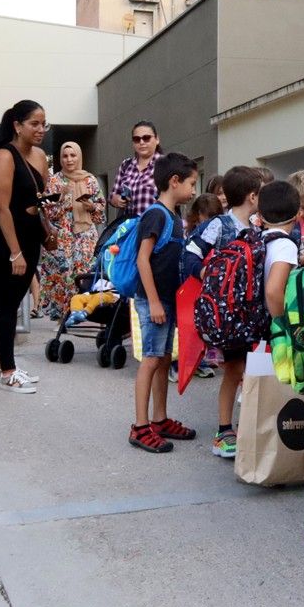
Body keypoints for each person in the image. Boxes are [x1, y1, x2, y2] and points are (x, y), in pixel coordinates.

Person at [182, 165, 262, 458]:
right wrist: (205, 272)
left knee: (251, 371)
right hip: (230, 314)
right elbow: (190, 253)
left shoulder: (259, 227)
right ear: (253, 196)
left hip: (253, 312)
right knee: (234, 370)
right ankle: (224, 430)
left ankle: (250, 427)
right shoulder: (220, 225)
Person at [0, 100, 50, 394]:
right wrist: (15, 251)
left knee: (16, 298)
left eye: (44, 124)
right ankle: (7, 371)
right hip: (1, 235)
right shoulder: (4, 155)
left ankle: (2, 363)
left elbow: (39, 202)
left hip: (30, 232)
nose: (40, 129)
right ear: (18, 126)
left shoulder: (42, 156)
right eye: (34, 123)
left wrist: (47, 233)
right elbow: (0, 206)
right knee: (6, 302)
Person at [128, 153, 198, 453]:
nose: (194, 190)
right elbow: (143, 259)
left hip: (168, 301)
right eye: (192, 183)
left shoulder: (174, 217)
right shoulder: (156, 215)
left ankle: (159, 419)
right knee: (151, 359)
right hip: (154, 301)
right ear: (174, 181)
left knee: (162, 358)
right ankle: (140, 427)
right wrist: (155, 302)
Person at [39, 142, 104, 321]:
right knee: (63, 276)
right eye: (65, 156)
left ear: (79, 157)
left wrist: (92, 207)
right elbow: (48, 212)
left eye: (73, 155)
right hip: (62, 237)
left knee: (83, 273)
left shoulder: (90, 180)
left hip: (85, 237)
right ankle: (62, 317)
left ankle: (83, 314)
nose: (69, 160)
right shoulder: (54, 181)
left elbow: (100, 214)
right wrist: (63, 198)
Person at [261, 180, 301, 319]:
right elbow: (273, 291)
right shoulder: (285, 245)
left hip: (251, 324)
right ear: (297, 215)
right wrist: (282, 327)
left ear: (260, 215)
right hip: (269, 327)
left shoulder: (258, 239)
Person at [108, 120, 162, 217]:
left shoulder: (165, 163)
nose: (142, 142)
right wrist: (117, 200)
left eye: (146, 138)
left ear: (157, 139)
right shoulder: (126, 164)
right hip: (129, 226)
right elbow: (113, 195)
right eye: (137, 139)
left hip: (156, 224)